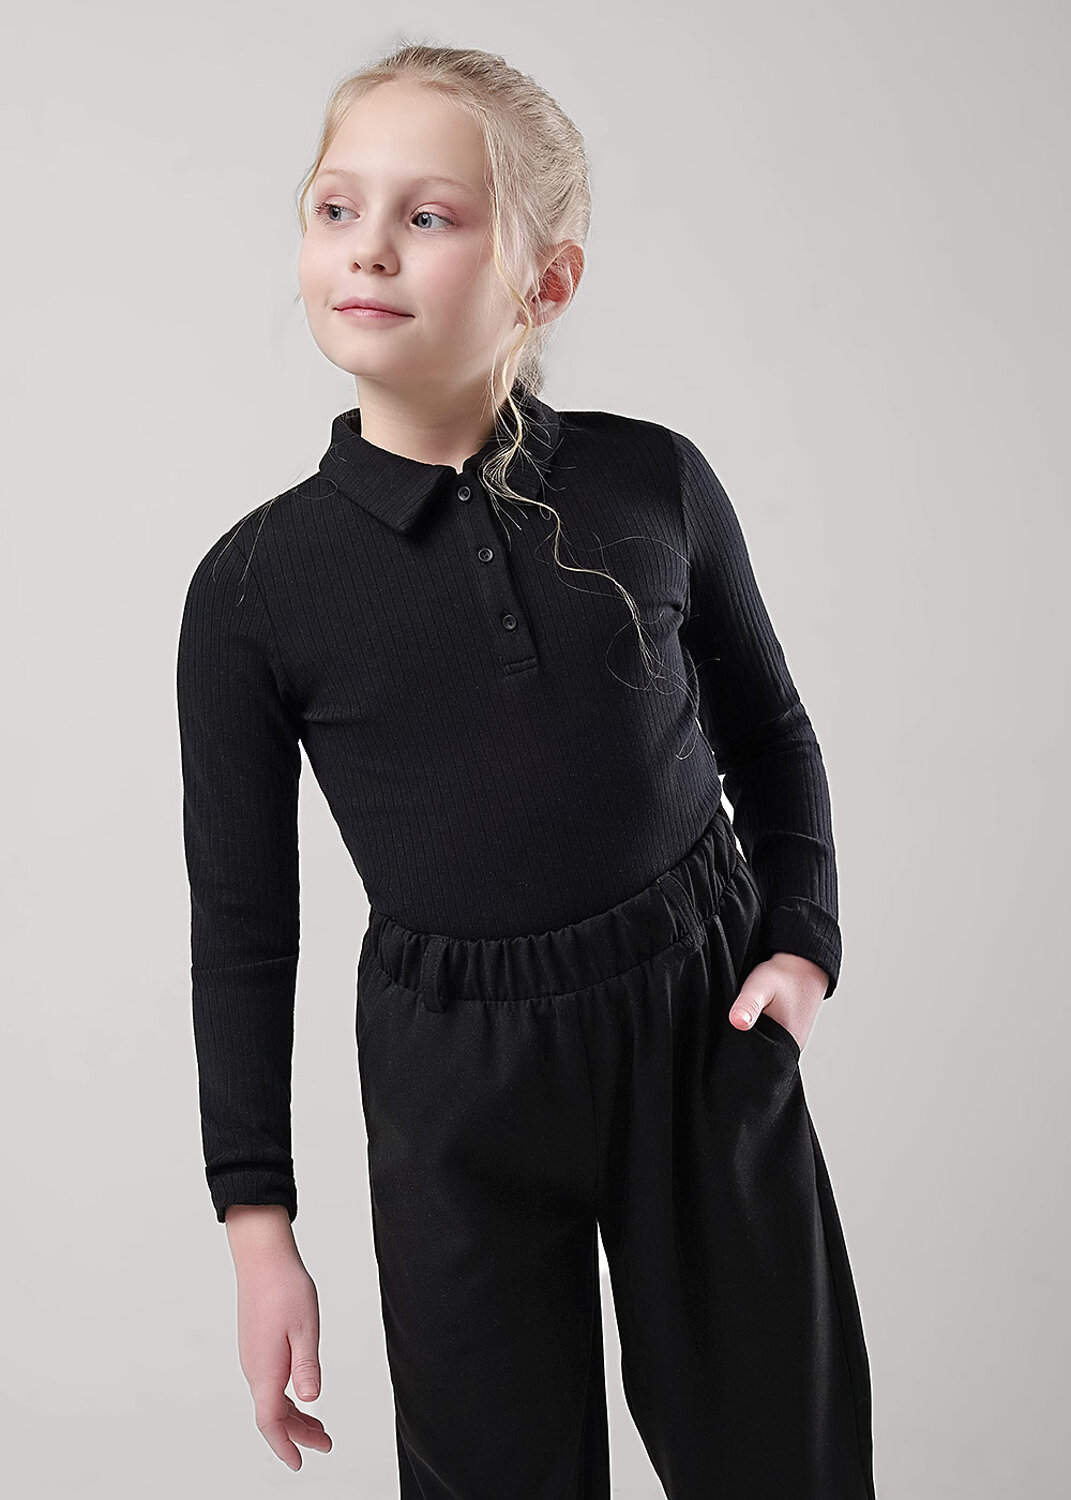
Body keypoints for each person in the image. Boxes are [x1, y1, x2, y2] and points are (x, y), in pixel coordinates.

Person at [176, 40, 877, 1500]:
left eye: (428, 215)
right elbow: (243, 927)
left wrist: (801, 943)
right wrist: (259, 1228)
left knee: (785, 1455)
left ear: (544, 283)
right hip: (455, 1078)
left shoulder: (651, 481)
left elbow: (772, 736)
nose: (368, 247)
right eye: (335, 208)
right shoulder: (254, 589)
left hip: (697, 1026)